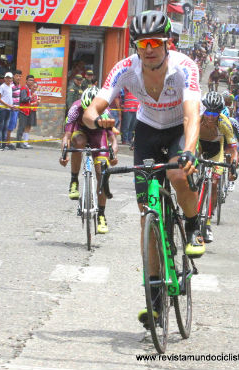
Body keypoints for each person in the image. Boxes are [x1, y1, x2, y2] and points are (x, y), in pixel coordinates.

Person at [82, 11, 205, 326]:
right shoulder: (125, 69)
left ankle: (193, 226)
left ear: (167, 43)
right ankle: (154, 303)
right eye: (141, 43)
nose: (148, 49)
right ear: (135, 46)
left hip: (179, 128)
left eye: (154, 42)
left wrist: (189, 150)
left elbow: (192, 115)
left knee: (178, 172)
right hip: (148, 131)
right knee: (144, 213)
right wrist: (98, 120)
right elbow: (92, 109)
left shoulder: (185, 68)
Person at [60, 86, 118, 233]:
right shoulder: (75, 108)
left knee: (102, 174)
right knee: (77, 143)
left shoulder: (104, 110)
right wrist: (64, 154)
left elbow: (113, 139)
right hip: (81, 132)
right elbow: (66, 136)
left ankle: (101, 215)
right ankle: (74, 180)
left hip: (98, 135)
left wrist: (113, 154)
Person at [199, 92, 238, 241]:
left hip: (216, 150)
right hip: (199, 145)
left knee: (214, 183)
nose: (210, 116)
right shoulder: (198, 118)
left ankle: (208, 221)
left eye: (214, 113)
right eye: (208, 111)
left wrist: (233, 166)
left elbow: (233, 149)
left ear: (219, 112)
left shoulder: (224, 123)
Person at [0, 72, 17, 150]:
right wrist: (8, 105)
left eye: (10, 78)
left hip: (8, 109)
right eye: (7, 78)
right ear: (4, 78)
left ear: (12, 79)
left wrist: (12, 105)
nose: (8, 79)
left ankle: (4, 144)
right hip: (3, 109)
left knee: (5, 127)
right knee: (0, 127)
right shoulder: (2, 86)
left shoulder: (11, 86)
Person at [16, 75, 35, 149]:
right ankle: (18, 143)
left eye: (32, 80)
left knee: (24, 127)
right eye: (30, 80)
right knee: (21, 127)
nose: (31, 82)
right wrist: (31, 97)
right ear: (26, 81)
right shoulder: (24, 89)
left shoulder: (29, 89)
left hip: (27, 110)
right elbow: (23, 99)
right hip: (23, 111)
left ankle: (21, 143)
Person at [6, 70, 22, 150]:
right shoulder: (10, 85)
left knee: (12, 126)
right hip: (10, 109)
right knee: (9, 126)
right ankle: (7, 143)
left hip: (16, 109)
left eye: (20, 76)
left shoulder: (19, 85)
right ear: (13, 77)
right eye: (17, 76)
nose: (18, 77)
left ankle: (7, 142)